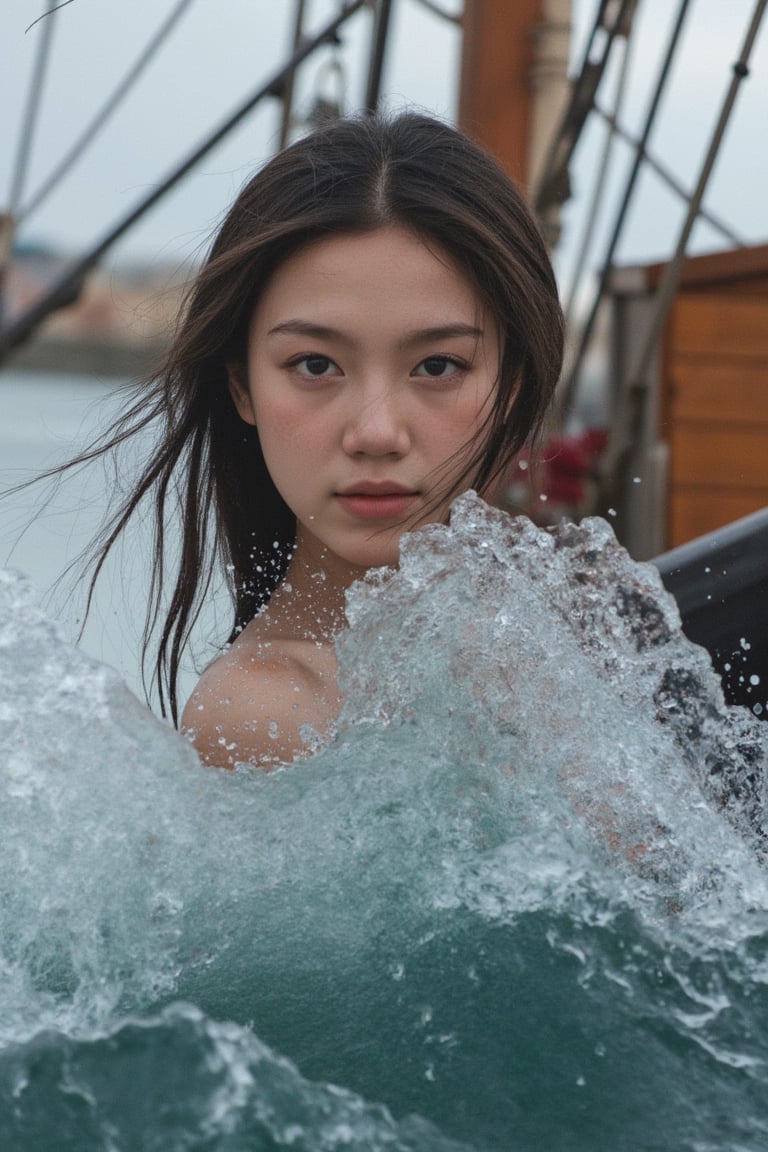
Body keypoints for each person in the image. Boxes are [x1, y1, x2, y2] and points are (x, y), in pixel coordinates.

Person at [65, 112, 564, 769]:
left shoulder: (555, 642)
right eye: (316, 365)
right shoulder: (262, 712)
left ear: (512, 383)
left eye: (438, 366)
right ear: (243, 388)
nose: (377, 434)